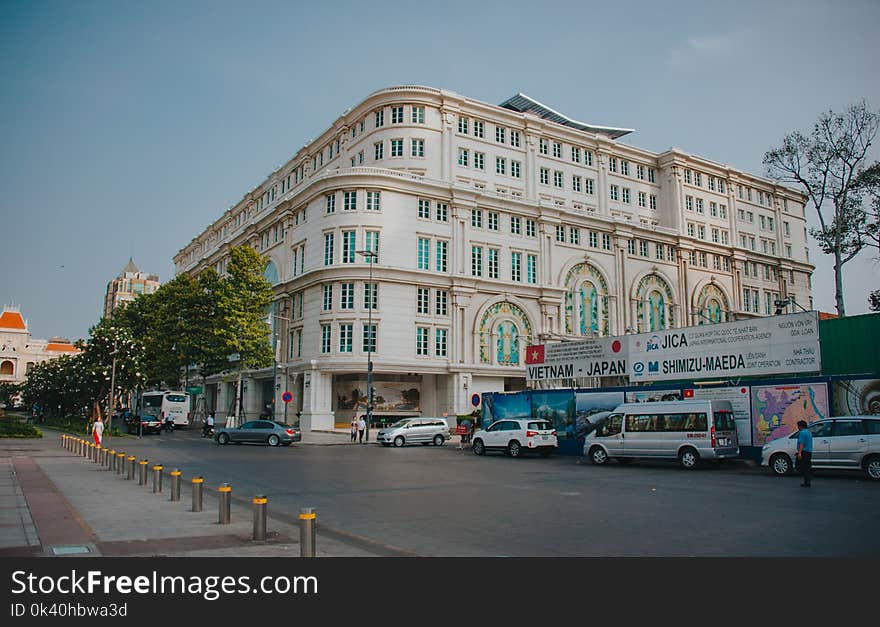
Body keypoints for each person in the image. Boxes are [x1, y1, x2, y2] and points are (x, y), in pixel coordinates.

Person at [795, 420, 813, 487]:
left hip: (804, 452)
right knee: (807, 466)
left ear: (800, 426)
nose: (798, 427)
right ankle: (807, 481)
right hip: (809, 451)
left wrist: (799, 453)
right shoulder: (808, 432)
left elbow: (802, 443)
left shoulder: (802, 433)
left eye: (798, 426)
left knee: (801, 467)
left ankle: (807, 480)